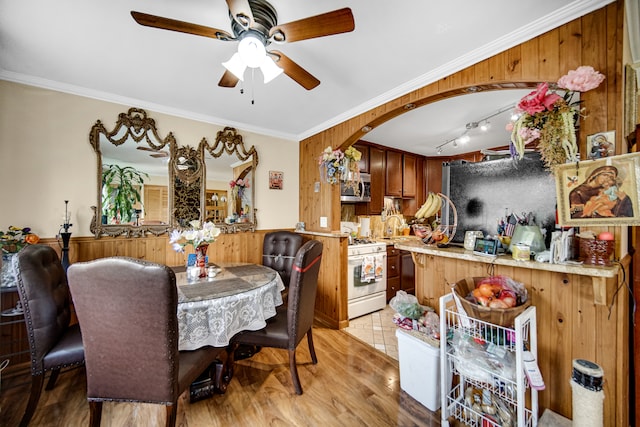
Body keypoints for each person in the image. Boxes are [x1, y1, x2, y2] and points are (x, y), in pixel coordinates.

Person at [569, 165, 633, 218]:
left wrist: (624, 199)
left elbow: (617, 209)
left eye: (610, 177)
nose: (607, 179)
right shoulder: (577, 192)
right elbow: (575, 214)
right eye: (605, 175)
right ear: (595, 175)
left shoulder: (606, 190)